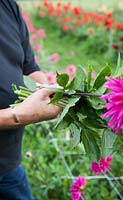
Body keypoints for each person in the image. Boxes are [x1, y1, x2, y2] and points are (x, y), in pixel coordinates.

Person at [0, 0, 61, 199]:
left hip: (8, 164)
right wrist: (16, 115)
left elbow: (30, 67)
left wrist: (49, 91)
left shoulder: (7, 5)